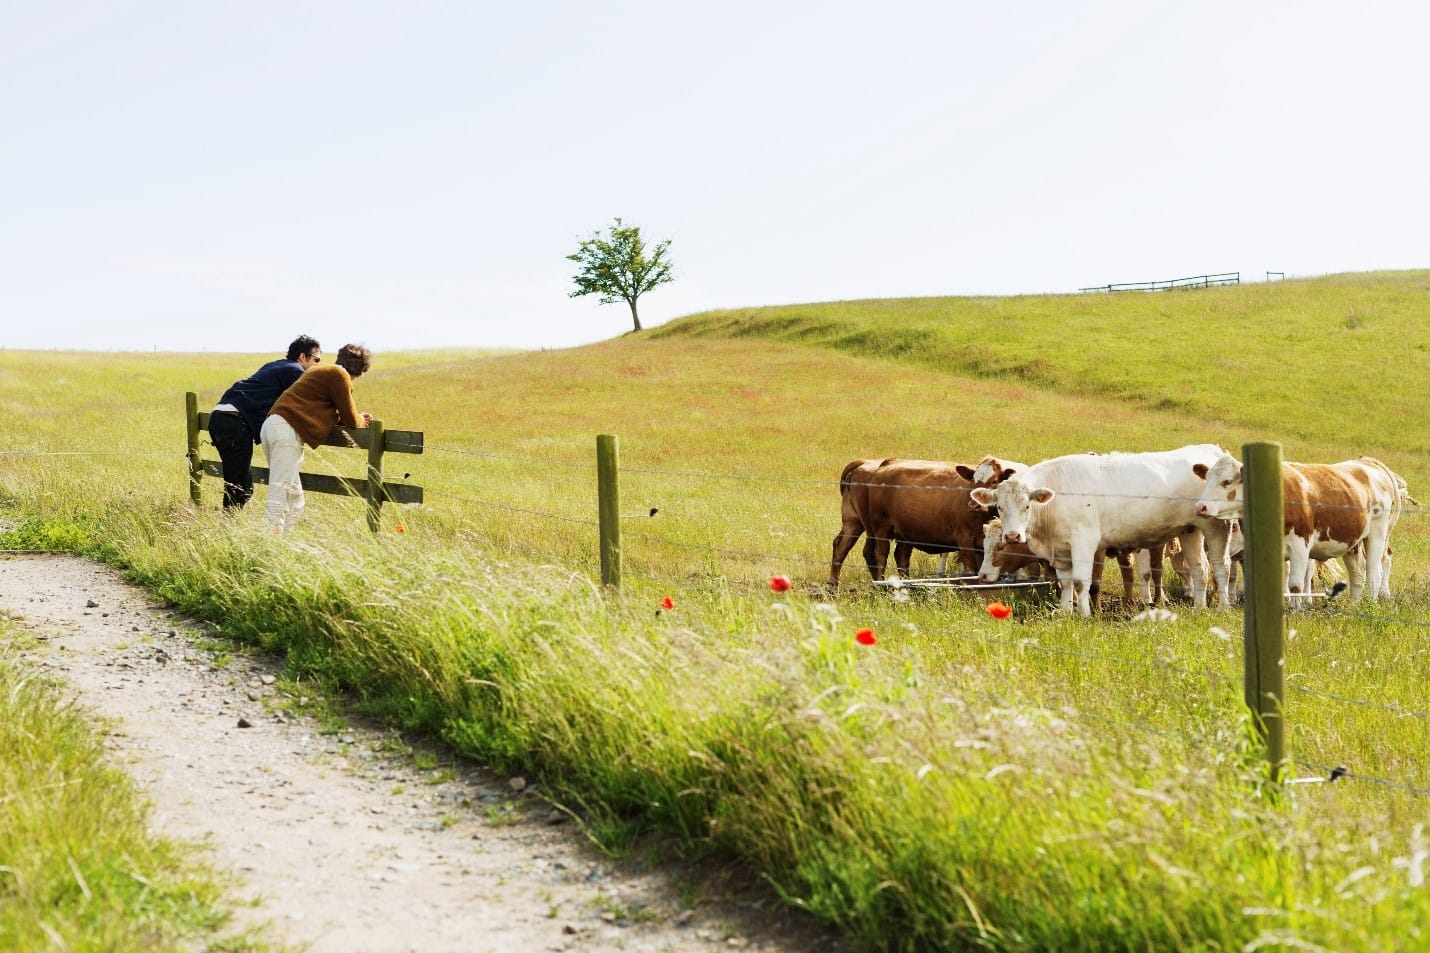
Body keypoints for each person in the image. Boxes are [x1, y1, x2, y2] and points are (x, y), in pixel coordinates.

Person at [261, 343, 373, 534]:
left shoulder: (322, 371)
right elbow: (350, 419)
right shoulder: (340, 376)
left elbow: (321, 408)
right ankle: (266, 547)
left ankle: (281, 544)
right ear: (361, 369)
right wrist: (362, 420)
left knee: (296, 500)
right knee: (280, 495)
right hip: (286, 431)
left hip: (273, 426)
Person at [208, 335, 322, 510]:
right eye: (316, 359)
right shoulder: (295, 371)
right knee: (241, 487)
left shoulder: (274, 365)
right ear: (302, 357)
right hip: (235, 422)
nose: (317, 365)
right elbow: (311, 403)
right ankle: (227, 527)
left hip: (219, 416)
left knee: (237, 481)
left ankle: (227, 522)